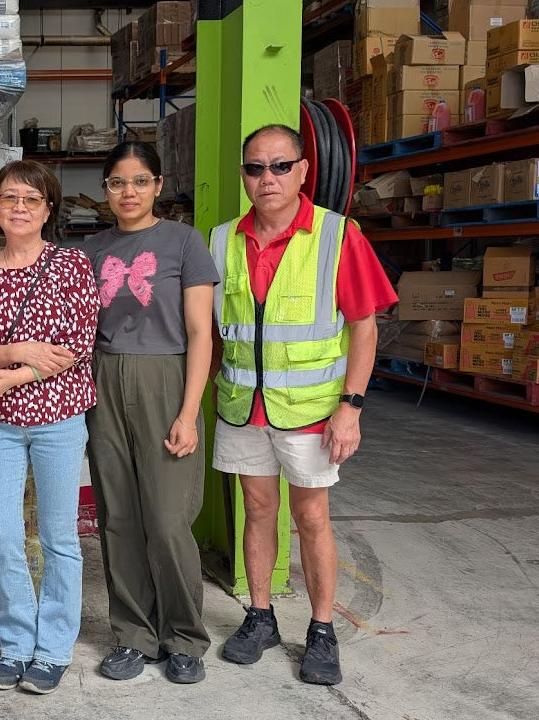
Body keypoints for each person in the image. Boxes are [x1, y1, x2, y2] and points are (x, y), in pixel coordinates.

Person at [212, 124, 396, 686]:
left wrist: (352, 406)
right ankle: (261, 615)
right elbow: (216, 332)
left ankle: (320, 629)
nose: (266, 179)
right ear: (243, 174)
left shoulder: (338, 236)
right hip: (243, 405)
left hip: (311, 411)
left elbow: (364, 329)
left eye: (279, 166)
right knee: (257, 509)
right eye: (254, 168)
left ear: (303, 171)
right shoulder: (221, 240)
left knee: (311, 517)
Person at [80, 142, 219, 685]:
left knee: (166, 521)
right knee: (119, 518)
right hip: (104, 379)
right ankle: (133, 634)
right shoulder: (90, 249)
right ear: (106, 191)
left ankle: (184, 636)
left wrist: (189, 412)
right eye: (117, 182)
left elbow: (201, 332)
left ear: (159, 186)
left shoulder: (184, 242)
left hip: (167, 381)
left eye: (140, 181)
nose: (128, 192)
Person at [0, 160, 99, 695]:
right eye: (10, 198)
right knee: (3, 534)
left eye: (32, 199)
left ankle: (54, 647)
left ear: (49, 210)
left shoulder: (70, 265)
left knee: (60, 536)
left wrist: (13, 374)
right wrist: (15, 358)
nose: (20, 207)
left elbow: (77, 345)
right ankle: (15, 643)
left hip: (60, 420)